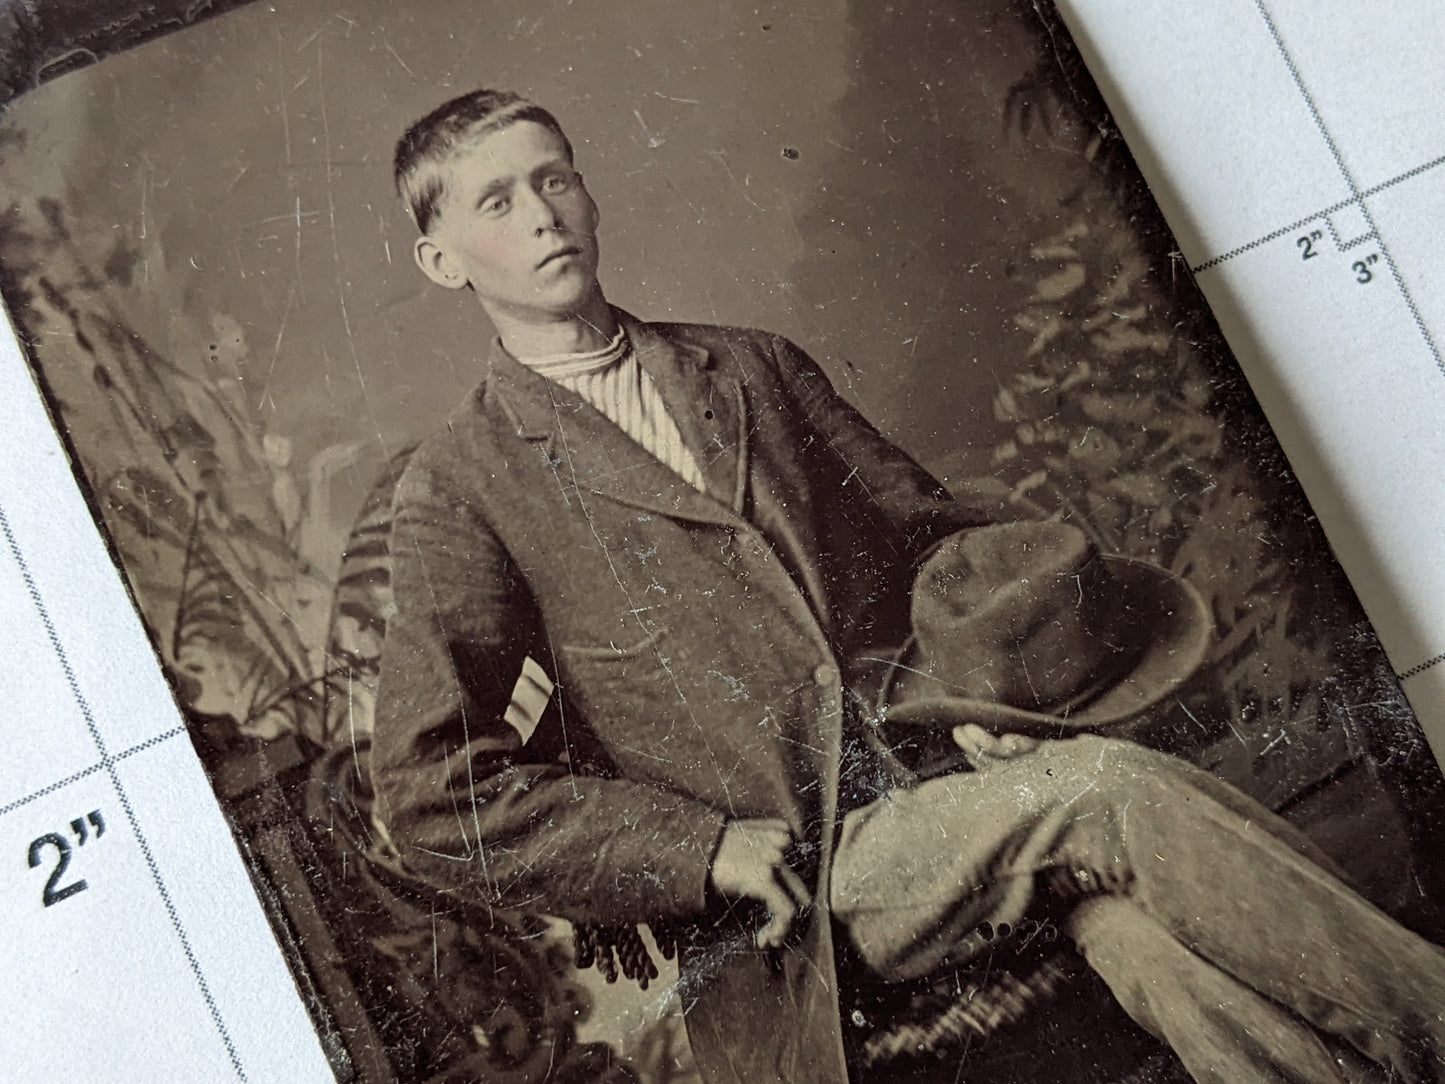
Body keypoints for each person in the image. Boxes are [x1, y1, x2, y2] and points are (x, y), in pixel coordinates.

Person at [371, 88, 1445, 1083]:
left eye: (554, 178)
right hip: (799, 880)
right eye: (497, 201)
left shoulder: (748, 368)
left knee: (1146, 947)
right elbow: (427, 792)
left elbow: (932, 551)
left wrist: (987, 702)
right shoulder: (465, 484)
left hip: (944, 790)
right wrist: (694, 851)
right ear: (441, 259)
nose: (543, 216)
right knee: (1107, 793)